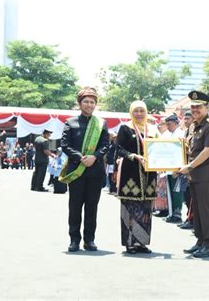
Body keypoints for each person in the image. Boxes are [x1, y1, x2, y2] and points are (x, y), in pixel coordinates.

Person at [59, 87, 109, 252]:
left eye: (92, 102)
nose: (89, 105)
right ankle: (74, 239)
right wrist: (81, 157)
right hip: (76, 171)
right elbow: (65, 145)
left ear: (95, 105)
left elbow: (105, 145)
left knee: (91, 207)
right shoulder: (70, 122)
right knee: (74, 206)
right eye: (86, 102)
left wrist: (94, 157)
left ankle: (90, 240)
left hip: (95, 171)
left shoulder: (101, 124)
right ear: (79, 103)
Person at [175, 90, 209, 258]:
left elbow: (208, 151)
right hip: (194, 175)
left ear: (206, 107)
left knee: (206, 210)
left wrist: (190, 166)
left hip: (206, 175)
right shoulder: (194, 126)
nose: (195, 110)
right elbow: (190, 149)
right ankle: (200, 241)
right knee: (197, 210)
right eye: (193, 107)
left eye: (198, 107)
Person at [116, 100, 159, 254]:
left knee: (146, 210)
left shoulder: (153, 130)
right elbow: (119, 149)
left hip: (149, 176)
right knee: (130, 209)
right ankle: (130, 243)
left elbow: (161, 149)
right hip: (131, 176)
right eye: (136, 111)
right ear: (131, 112)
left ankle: (142, 242)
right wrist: (133, 156)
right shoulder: (125, 128)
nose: (139, 114)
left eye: (142, 111)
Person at [163, 113, 185, 223]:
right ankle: (172, 213)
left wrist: (178, 168)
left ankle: (177, 214)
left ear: (176, 123)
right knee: (171, 192)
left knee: (177, 192)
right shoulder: (170, 134)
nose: (168, 127)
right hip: (169, 167)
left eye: (169, 124)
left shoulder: (180, 135)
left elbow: (181, 153)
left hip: (177, 168)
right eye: (166, 124)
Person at [178, 111, 195, 230]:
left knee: (192, 196)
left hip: (192, 168)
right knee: (186, 196)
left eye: (188, 119)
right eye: (184, 119)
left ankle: (192, 220)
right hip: (185, 167)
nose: (186, 121)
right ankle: (189, 218)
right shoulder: (186, 131)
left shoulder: (195, 130)